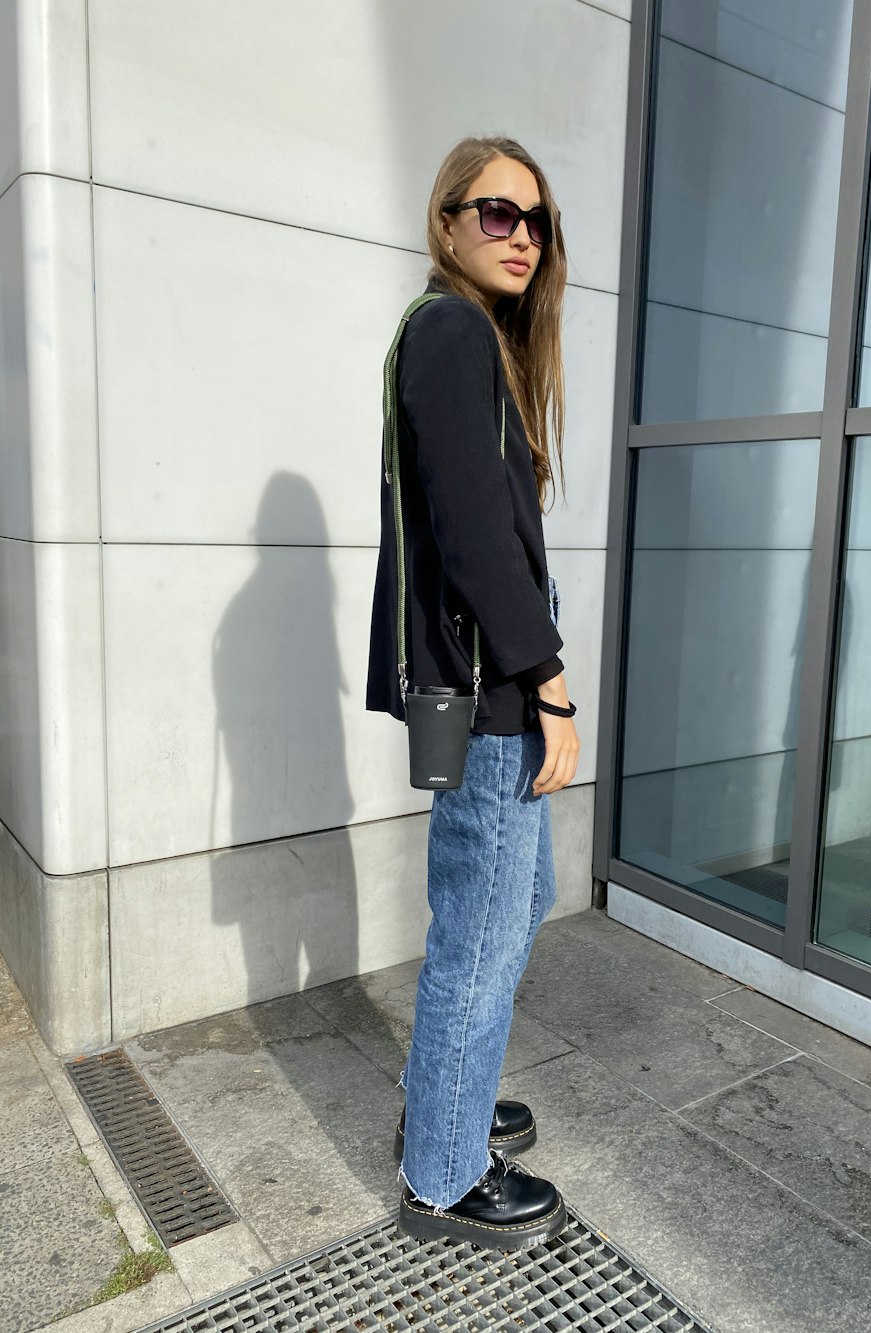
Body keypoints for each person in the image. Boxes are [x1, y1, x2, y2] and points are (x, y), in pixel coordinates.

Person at [366, 134, 580, 1249]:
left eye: (535, 221)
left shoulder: (476, 343)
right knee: (482, 935)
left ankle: (447, 1091)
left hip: (492, 684)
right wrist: (549, 685)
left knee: (510, 904)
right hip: (494, 694)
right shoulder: (450, 331)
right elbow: (476, 538)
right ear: (447, 221)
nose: (521, 238)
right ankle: (440, 1177)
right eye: (497, 214)